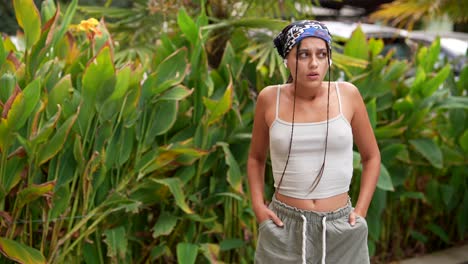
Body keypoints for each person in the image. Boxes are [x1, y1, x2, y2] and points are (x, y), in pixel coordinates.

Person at [247, 20, 381, 264]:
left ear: (329, 59)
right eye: (303, 55)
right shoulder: (269, 99)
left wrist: (360, 212)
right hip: (283, 227)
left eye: (321, 54)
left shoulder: (348, 95)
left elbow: (371, 156)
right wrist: (258, 206)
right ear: (287, 59)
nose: (313, 64)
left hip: (342, 227)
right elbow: (256, 158)